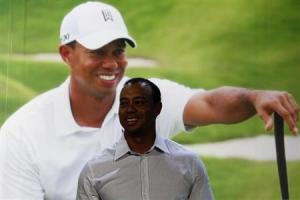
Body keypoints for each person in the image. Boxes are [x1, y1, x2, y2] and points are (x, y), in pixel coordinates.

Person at [0, 1, 298, 199]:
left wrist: (254, 97)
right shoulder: (22, 135)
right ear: (66, 54)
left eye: (118, 50)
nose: (111, 63)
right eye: (97, 52)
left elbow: (209, 104)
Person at [76, 78, 214, 200]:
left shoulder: (189, 164)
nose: (129, 109)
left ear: (157, 108)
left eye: (139, 102)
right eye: (124, 103)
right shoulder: (94, 170)